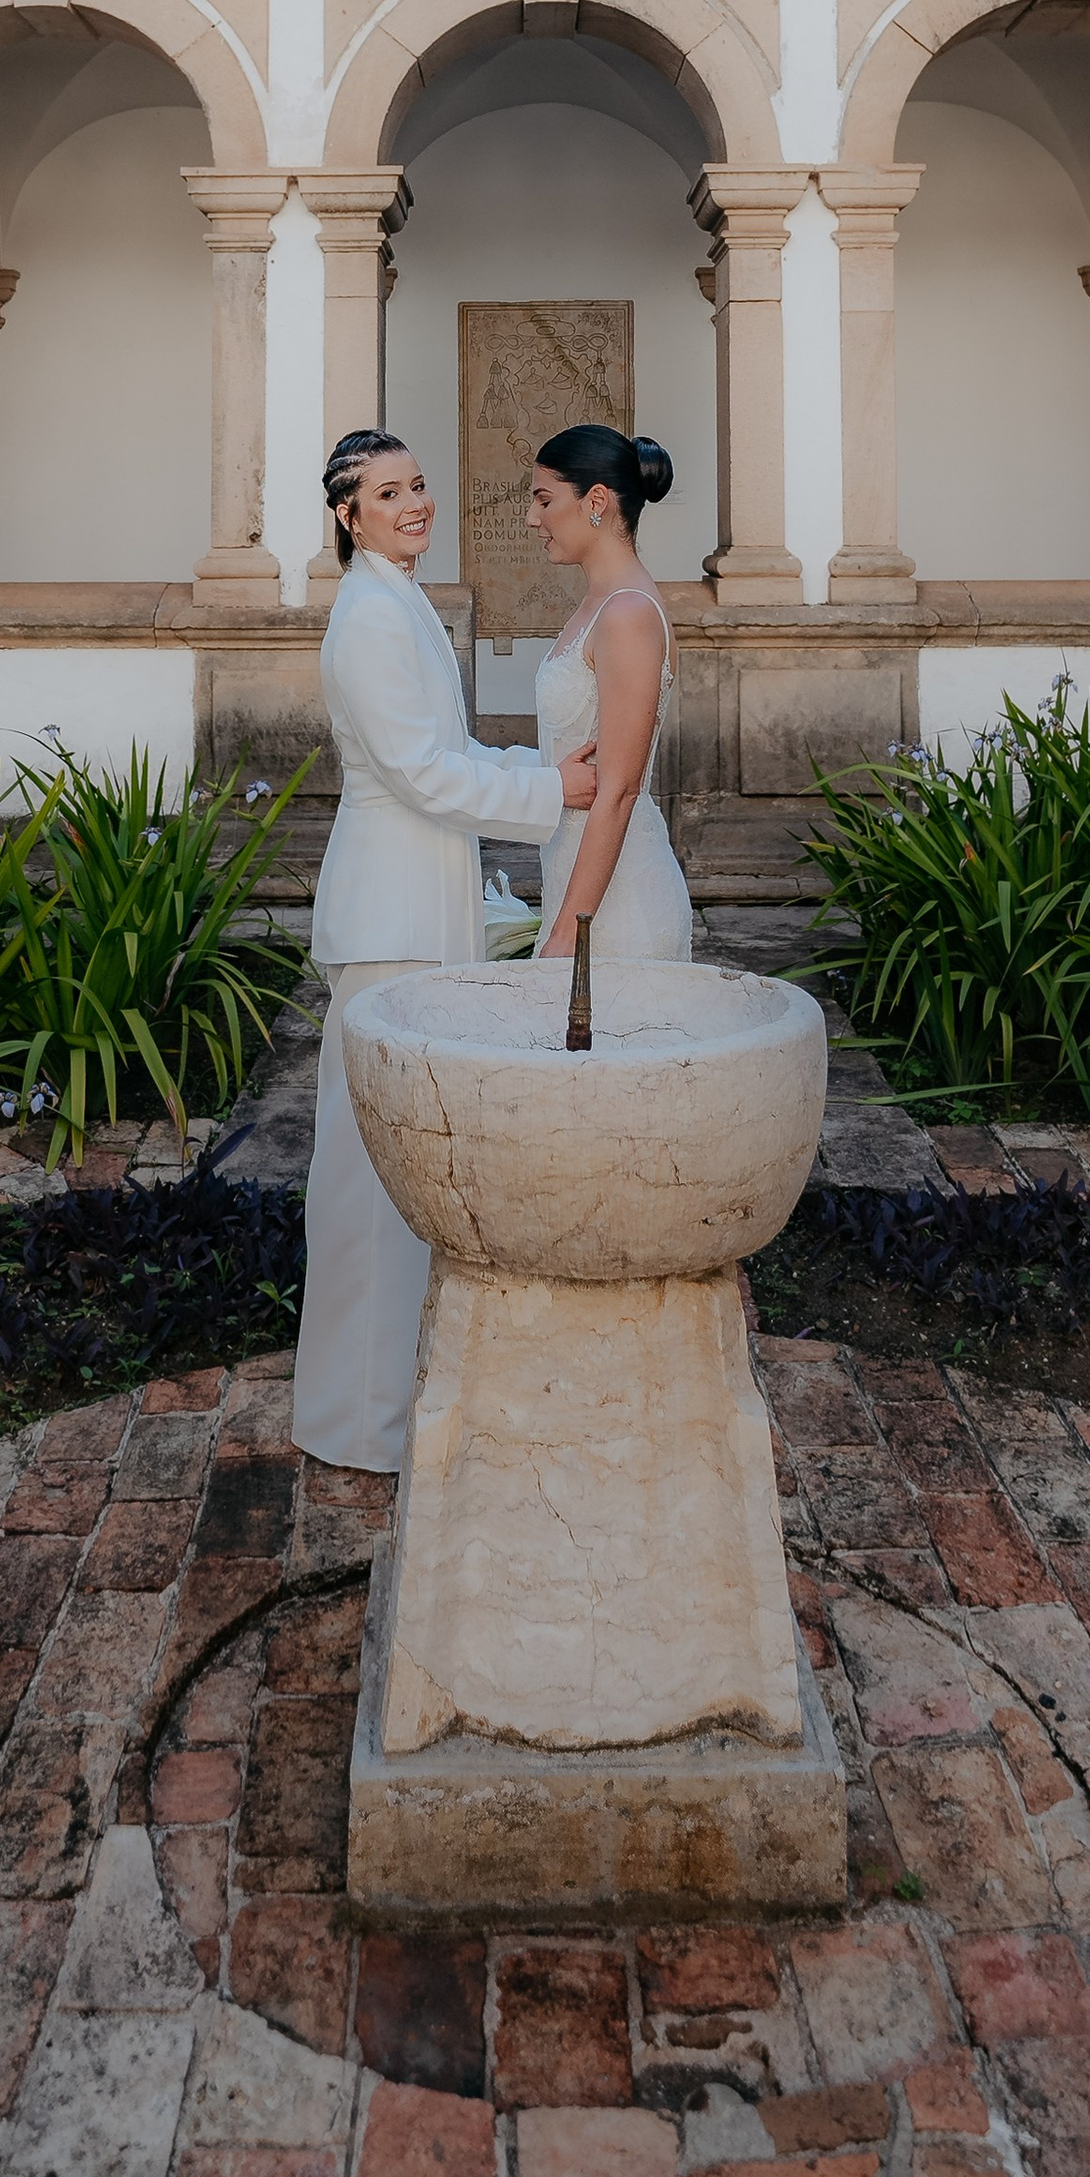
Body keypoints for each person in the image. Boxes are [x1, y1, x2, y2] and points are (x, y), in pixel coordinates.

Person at [291, 428, 598, 1474]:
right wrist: (552, 792)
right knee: (370, 1185)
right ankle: (357, 1425)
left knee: (403, 1175)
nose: (414, 502)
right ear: (347, 516)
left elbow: (454, 754)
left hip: (418, 911)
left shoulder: (399, 599)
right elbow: (422, 774)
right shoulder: (370, 616)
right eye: (388, 491)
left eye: (418, 483)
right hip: (388, 924)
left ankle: (391, 1403)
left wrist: (536, 766)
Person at [527, 423, 695, 965]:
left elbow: (619, 789)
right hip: (580, 886)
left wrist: (568, 935)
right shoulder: (600, 603)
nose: (533, 519)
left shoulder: (627, 614)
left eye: (544, 500)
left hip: (617, 912)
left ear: (596, 501)